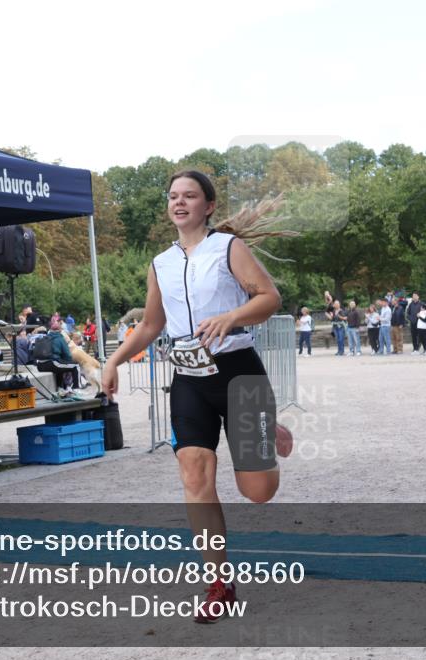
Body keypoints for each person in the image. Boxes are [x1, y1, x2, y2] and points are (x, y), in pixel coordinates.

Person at [100, 170, 292, 624]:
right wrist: (113, 361)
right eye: (173, 196)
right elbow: (150, 325)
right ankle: (219, 583)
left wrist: (232, 316)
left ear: (208, 206)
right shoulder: (160, 262)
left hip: (238, 372)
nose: (179, 202)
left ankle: (269, 430)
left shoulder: (228, 248)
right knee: (193, 472)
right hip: (189, 378)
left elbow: (270, 297)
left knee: (258, 491)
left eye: (190, 196)